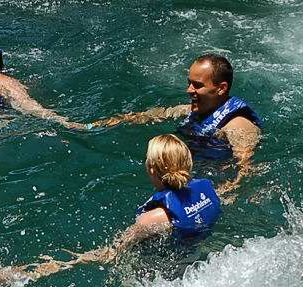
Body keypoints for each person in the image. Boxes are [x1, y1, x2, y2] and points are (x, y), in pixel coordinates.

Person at [87, 53, 262, 200]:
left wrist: (220, 195)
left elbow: (245, 170)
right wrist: (91, 126)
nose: (189, 90)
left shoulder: (239, 125)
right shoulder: (190, 111)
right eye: (189, 83)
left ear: (221, 88)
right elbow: (146, 116)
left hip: (213, 179)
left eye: (197, 85)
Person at [64, 134, 222, 265]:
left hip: (165, 276)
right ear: (188, 163)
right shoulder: (208, 194)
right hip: (197, 261)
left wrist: (68, 263)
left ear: (151, 169)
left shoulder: (153, 218)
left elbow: (113, 253)